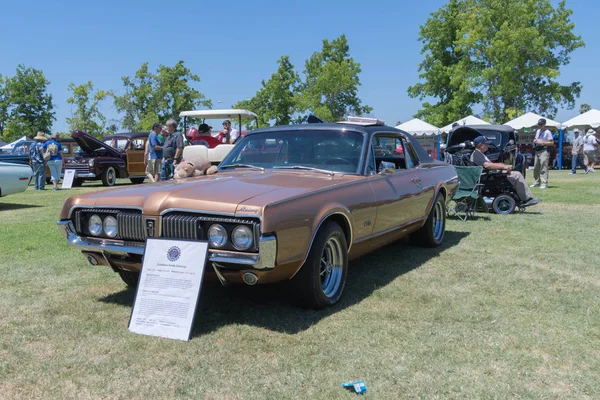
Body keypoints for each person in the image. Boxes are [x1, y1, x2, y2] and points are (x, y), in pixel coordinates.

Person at [470, 136, 541, 207]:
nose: (487, 145)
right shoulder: (476, 154)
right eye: (486, 144)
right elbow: (487, 165)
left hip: (489, 175)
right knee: (517, 175)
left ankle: (522, 198)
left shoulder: (480, 154)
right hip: (487, 178)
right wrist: (503, 166)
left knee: (515, 173)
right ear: (481, 145)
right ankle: (526, 199)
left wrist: (502, 166)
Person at [530, 118, 553, 189]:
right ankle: (536, 182)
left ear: (544, 124)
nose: (540, 126)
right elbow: (536, 139)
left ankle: (544, 183)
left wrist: (543, 143)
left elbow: (551, 143)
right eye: (539, 125)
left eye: (541, 125)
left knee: (543, 167)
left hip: (544, 150)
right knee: (536, 167)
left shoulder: (547, 132)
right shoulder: (538, 131)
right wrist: (535, 140)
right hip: (537, 150)